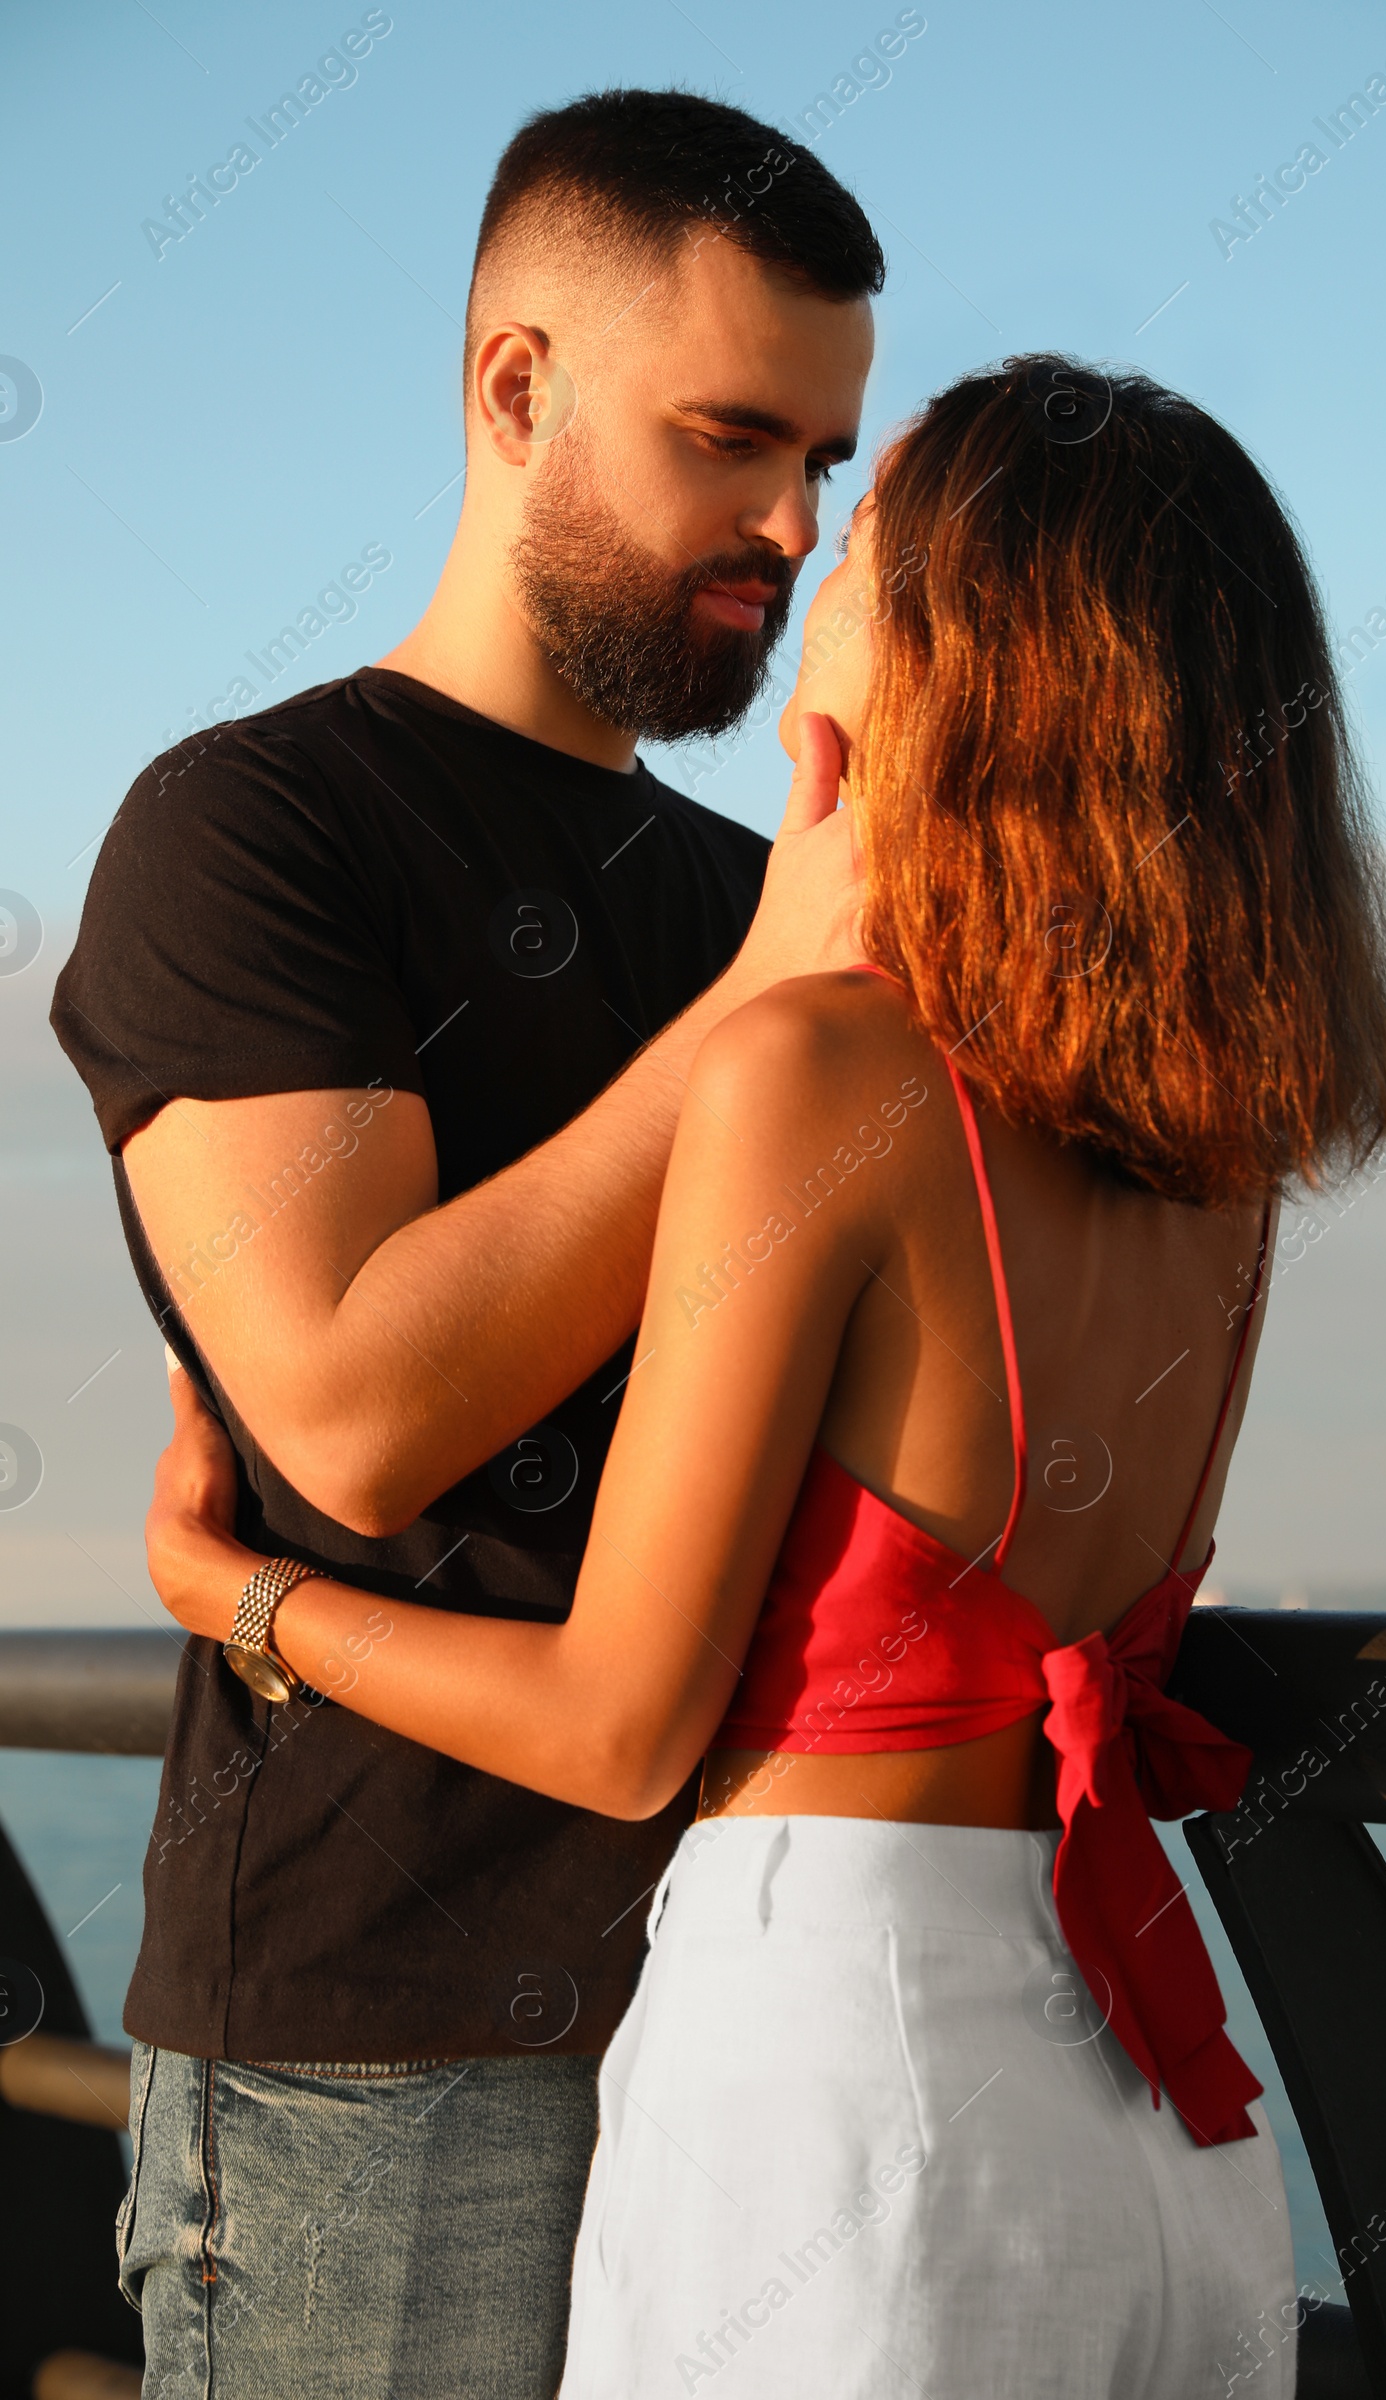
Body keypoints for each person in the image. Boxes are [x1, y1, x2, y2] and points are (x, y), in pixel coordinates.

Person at [144, 356, 1386, 2396]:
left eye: (869, 538)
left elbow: (618, 1728)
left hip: (836, 2097)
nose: (811, 567)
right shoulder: (1221, 1150)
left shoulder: (813, 1072)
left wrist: (249, 1603)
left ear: (958, 657)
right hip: (1140, 2111)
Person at [51, 89, 879, 2400]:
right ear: (514, 388)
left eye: (825, 455)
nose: (791, 525)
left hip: (751, 2004)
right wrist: (762, 1014)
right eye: (732, 437)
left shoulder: (753, 898)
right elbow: (351, 1406)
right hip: (375, 2066)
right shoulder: (254, 827)